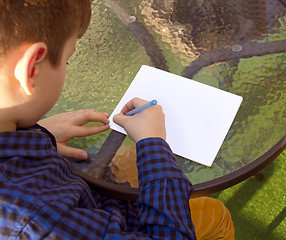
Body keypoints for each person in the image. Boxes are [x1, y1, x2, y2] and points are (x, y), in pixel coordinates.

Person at [0, 0, 234, 239]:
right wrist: (153, 143)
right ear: (31, 69)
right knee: (216, 214)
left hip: (96, 201)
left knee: (130, 159)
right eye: (67, 60)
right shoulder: (38, 222)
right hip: (124, 224)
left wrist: (38, 131)